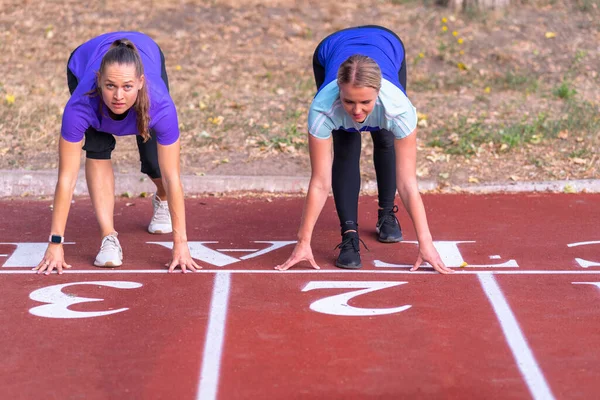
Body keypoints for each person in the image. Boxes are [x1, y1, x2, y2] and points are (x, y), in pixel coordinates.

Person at [276, 26, 453, 274]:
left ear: (378, 93)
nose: (357, 110)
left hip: (386, 42)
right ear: (339, 91)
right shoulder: (322, 109)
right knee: (346, 141)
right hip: (331, 47)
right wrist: (303, 241)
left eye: (365, 102)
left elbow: (408, 183)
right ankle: (349, 236)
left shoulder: (399, 110)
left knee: (384, 137)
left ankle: (387, 214)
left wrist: (426, 243)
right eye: (349, 101)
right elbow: (319, 182)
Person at [34, 31, 200, 274]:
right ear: (99, 79)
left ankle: (161, 199)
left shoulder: (160, 105)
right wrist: (55, 243)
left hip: (147, 58)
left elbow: (172, 176)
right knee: (97, 149)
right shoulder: (81, 105)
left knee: (155, 163)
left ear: (141, 82)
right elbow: (66, 179)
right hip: (84, 62)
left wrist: (180, 244)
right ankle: (108, 237)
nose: (118, 96)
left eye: (127, 87)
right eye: (110, 86)